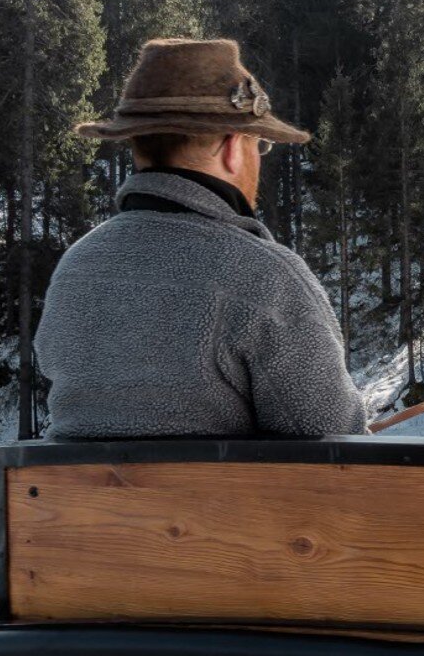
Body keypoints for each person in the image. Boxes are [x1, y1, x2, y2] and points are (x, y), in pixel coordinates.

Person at [34, 38, 367, 438]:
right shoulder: (265, 276)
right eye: (258, 145)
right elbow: (334, 442)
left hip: (74, 484)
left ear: (139, 146)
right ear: (232, 148)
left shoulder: (74, 269)